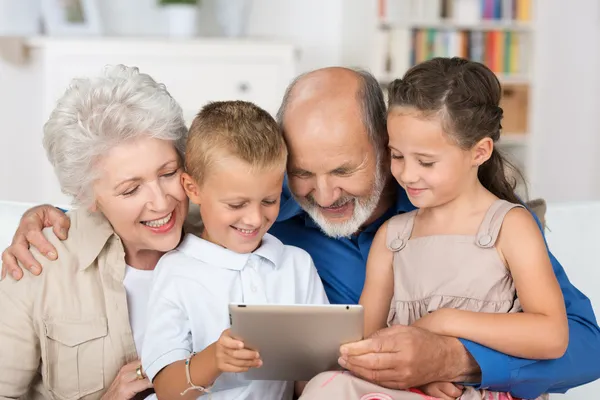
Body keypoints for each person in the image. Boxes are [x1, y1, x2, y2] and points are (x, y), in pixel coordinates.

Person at [4, 63, 600, 399]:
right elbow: (146, 205)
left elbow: (583, 344)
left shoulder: (477, 217)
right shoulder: (254, 222)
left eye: (345, 169)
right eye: (302, 172)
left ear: (387, 145)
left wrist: (456, 358)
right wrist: (51, 216)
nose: (322, 193)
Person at [298, 58, 567, 400]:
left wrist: (444, 322)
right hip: (412, 390)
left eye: (426, 162)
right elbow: (363, 341)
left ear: (479, 152)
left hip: (484, 392)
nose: (408, 174)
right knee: (326, 388)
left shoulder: (510, 226)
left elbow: (552, 335)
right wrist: (417, 375)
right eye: (397, 156)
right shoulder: (394, 237)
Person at [0, 65, 193, 399]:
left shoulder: (229, 234)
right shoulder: (38, 266)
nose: (162, 202)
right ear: (89, 197)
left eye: (169, 172)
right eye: (131, 189)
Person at [141, 100, 328, 399]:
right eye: (236, 205)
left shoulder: (296, 265)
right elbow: (166, 390)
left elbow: (314, 377)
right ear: (193, 189)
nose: (255, 219)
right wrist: (214, 359)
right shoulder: (176, 271)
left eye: (269, 200)